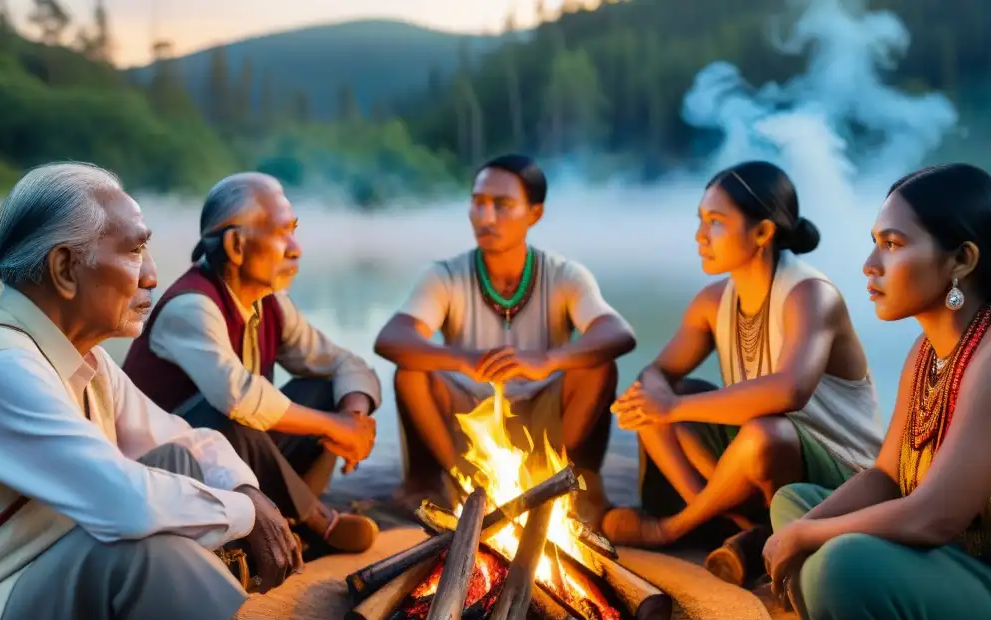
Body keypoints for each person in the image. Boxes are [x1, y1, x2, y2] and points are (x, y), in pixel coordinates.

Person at [0, 162, 363, 620]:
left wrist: (247, 491)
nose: (153, 274)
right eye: (133, 252)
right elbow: (125, 506)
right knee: (129, 539)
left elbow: (184, 440)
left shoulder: (86, 360)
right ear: (64, 269)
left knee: (179, 469)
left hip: (28, 587)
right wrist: (247, 515)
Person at [737, 163, 991, 620]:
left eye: (893, 244)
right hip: (956, 564)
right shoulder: (927, 354)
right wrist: (803, 528)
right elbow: (885, 476)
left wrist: (809, 537)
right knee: (792, 502)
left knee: (842, 567)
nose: (870, 266)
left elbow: (932, 518)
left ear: (962, 260)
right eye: (875, 243)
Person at [605, 161, 882, 586]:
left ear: (762, 233)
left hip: (840, 474)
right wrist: (657, 399)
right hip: (761, 469)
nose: (700, 235)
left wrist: (674, 406)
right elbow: (657, 371)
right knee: (650, 402)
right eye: (700, 220)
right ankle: (730, 523)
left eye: (716, 221)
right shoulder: (712, 301)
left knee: (760, 434)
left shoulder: (809, 295)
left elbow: (789, 391)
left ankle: (673, 528)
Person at [124, 172, 381, 558]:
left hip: (242, 467)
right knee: (230, 419)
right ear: (236, 245)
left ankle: (286, 518)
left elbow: (344, 362)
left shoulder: (270, 302)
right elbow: (239, 399)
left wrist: (353, 419)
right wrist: (336, 426)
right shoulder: (191, 307)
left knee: (325, 387)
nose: (295, 248)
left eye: (294, 231)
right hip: (170, 472)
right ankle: (318, 522)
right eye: (282, 233)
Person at [374, 154, 636, 523]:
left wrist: (546, 360)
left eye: (502, 205)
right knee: (411, 373)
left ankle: (565, 483)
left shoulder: (564, 274)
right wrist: (464, 359)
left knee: (598, 368)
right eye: (478, 203)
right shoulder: (446, 275)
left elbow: (617, 333)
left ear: (535, 213)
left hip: (545, 415)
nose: (486, 216)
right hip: (469, 415)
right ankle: (461, 482)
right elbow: (392, 338)